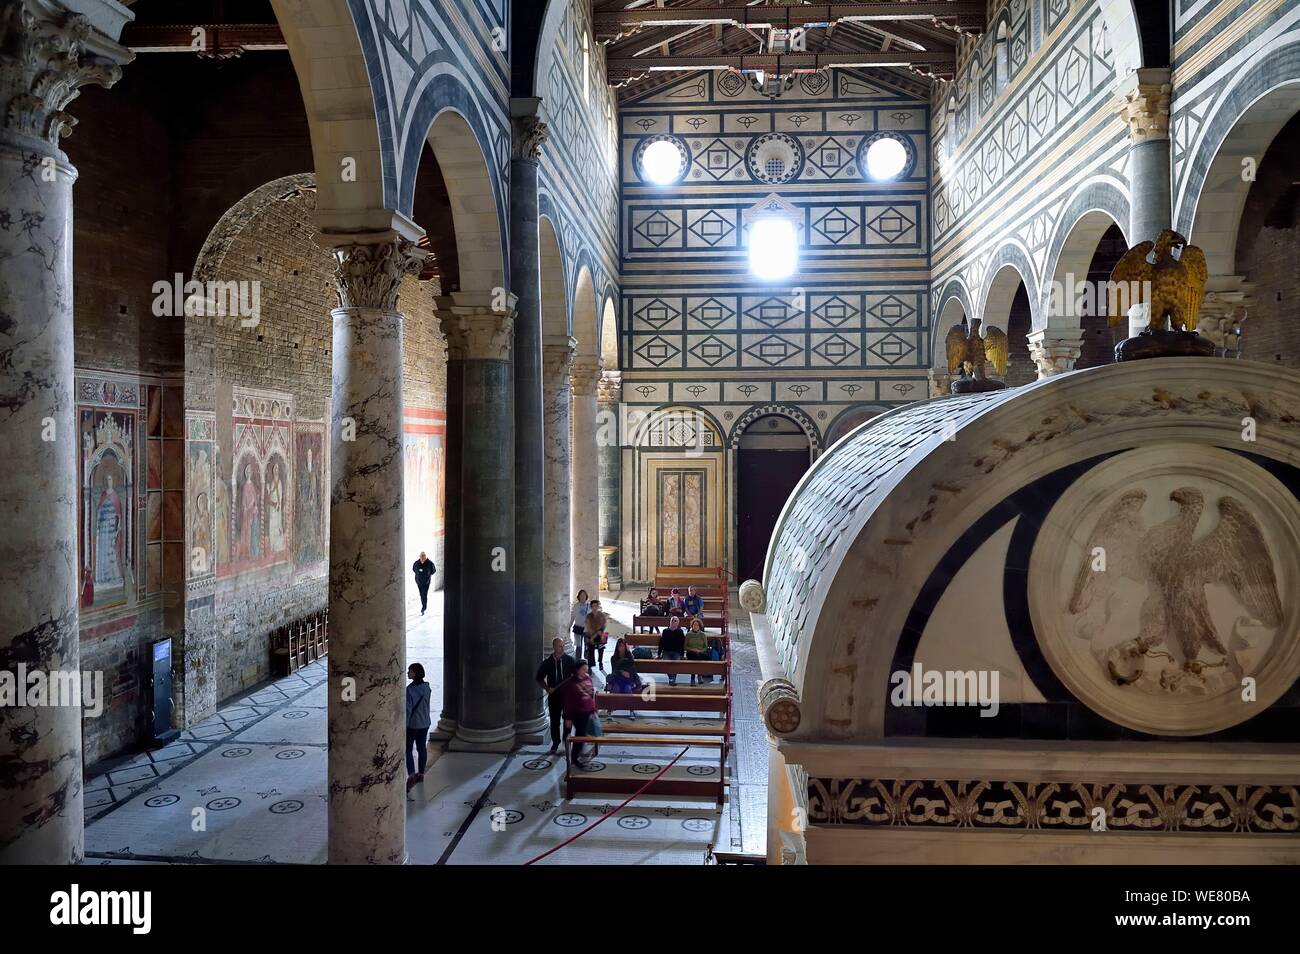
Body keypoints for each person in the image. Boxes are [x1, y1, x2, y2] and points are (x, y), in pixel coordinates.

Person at [536, 637, 578, 754]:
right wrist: (547, 688)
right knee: (554, 720)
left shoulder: (569, 660)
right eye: (560, 646)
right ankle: (555, 742)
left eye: (563, 646)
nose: (562, 648)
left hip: (566, 696)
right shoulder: (547, 663)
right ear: (554, 647)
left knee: (567, 719)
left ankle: (567, 740)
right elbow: (539, 678)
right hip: (554, 696)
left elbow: (576, 676)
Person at [560, 659, 601, 768]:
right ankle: (574, 757)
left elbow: (590, 695)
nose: (585, 671)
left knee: (585, 734)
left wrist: (594, 708)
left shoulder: (588, 678)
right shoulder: (571, 683)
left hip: (588, 711)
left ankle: (579, 752)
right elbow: (568, 702)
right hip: (577, 713)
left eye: (586, 669)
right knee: (580, 734)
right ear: (577, 670)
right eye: (583, 669)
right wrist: (568, 718)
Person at [406, 663, 432, 788]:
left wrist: (404, 725)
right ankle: (421, 774)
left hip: (412, 725)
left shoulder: (409, 690)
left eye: (409, 671)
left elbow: (408, 710)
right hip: (425, 723)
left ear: (415, 673)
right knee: (422, 748)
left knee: (408, 750)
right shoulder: (427, 688)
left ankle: (411, 775)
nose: (407, 673)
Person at [607, 637, 642, 716]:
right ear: (617, 647)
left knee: (627, 688)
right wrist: (622, 672)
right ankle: (610, 709)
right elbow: (615, 670)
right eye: (620, 646)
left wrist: (627, 672)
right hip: (617, 679)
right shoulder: (613, 658)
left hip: (627, 680)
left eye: (623, 646)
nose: (621, 648)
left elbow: (632, 670)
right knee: (616, 688)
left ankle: (631, 710)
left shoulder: (630, 658)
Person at [658, 615, 686, 687]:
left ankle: (672, 679)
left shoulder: (680, 631)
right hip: (666, 651)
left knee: (676, 665)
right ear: (670, 622)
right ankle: (672, 678)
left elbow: (682, 643)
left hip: (677, 652)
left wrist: (682, 654)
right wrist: (659, 654)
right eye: (672, 620)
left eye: (675, 621)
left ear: (678, 623)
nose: (673, 622)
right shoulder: (665, 631)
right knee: (667, 664)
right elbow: (661, 643)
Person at [585, 598, 609, 672]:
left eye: (596, 606)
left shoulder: (602, 615)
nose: (594, 608)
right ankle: (590, 665)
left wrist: (597, 634)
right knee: (590, 647)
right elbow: (588, 627)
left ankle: (600, 662)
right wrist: (592, 636)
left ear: (598, 607)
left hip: (600, 634)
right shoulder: (588, 616)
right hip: (591, 634)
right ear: (591, 607)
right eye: (593, 606)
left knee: (601, 647)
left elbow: (603, 626)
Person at [685, 618, 712, 686]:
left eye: (697, 625)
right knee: (695, 658)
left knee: (702, 658)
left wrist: (700, 651)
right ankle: (694, 677)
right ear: (692, 626)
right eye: (694, 625)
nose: (695, 626)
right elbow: (685, 647)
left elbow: (705, 647)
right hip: (691, 652)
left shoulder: (702, 635)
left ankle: (698, 675)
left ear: (699, 626)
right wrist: (692, 649)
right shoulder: (688, 634)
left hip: (700, 652)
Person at [570, 589, 591, 660]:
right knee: (578, 646)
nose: (583, 597)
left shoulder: (589, 606)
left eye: (584, 595)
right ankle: (578, 662)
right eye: (581, 595)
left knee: (587, 646)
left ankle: (587, 662)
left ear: (586, 596)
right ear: (578, 596)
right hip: (577, 629)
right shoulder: (576, 606)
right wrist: (569, 626)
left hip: (587, 630)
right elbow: (572, 616)